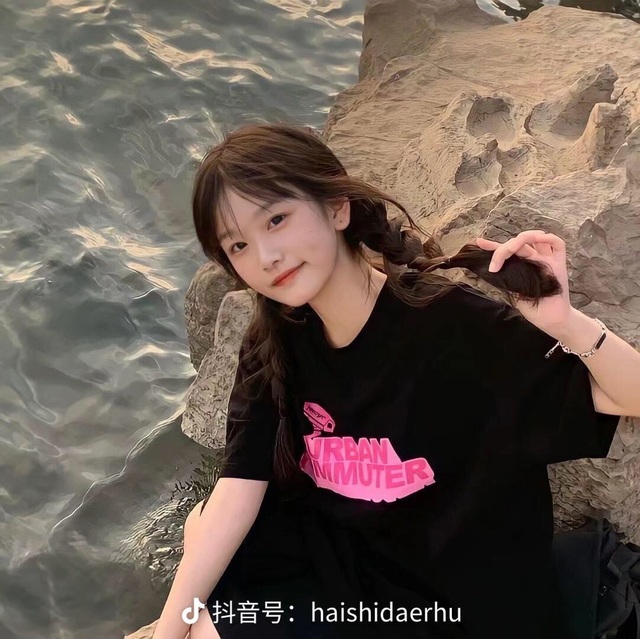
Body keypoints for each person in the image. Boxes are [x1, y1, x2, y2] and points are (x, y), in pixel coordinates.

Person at [152, 123, 636, 639]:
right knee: (205, 547)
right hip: (350, 573)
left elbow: (626, 395)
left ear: (336, 208)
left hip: (455, 602)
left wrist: (566, 323)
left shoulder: (450, 327)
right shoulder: (276, 337)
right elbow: (239, 485)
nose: (265, 257)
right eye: (238, 245)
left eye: (276, 219)